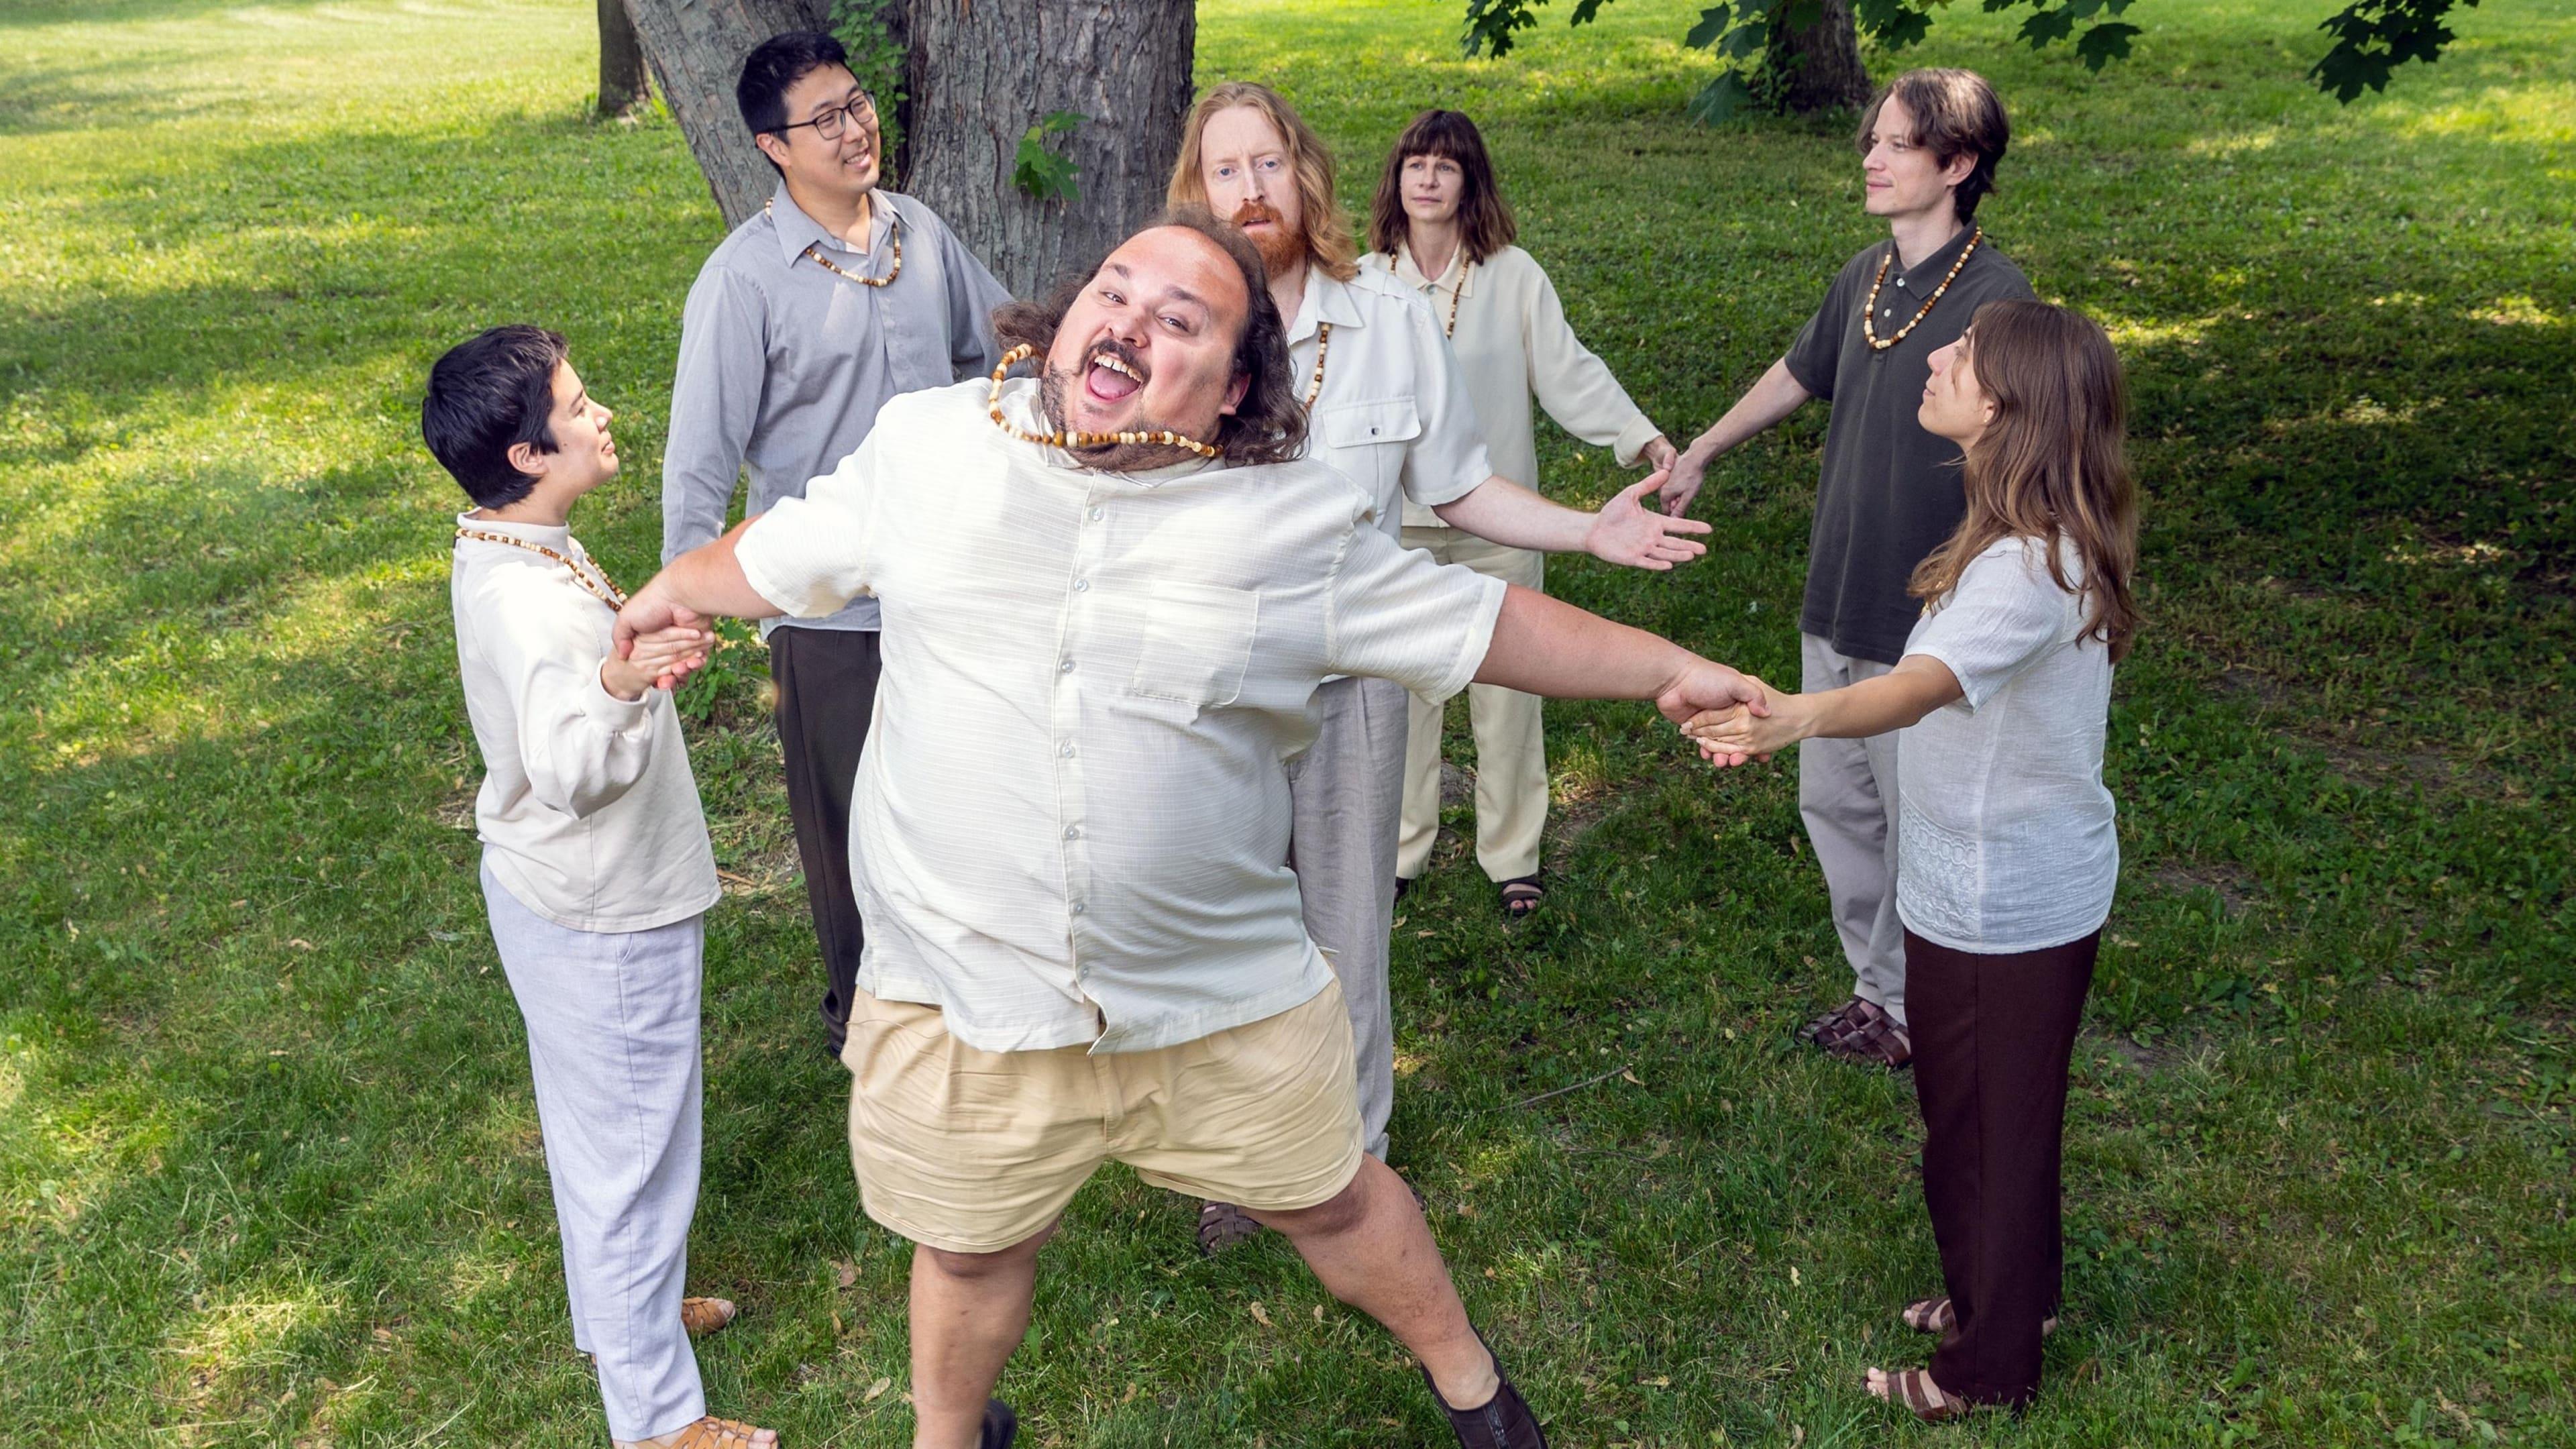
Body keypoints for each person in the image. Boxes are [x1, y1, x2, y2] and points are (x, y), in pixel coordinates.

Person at [615, 211, 1767, 1449]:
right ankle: (948, 1440)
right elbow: (779, 554)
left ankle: (1476, 1391)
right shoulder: (930, 447)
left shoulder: (1289, 521)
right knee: (966, 1249)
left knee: (1335, 1204)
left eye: (1181, 321)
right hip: (969, 989)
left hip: (1215, 994)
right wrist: (671, 589)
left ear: (1231, 392)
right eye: (1114, 293)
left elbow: (1484, 625)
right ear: (1064, 327)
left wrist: (1664, 669)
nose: (1129, 323)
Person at [1168, 81, 1710, 1246]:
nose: (1249, 189)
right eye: (1225, 171)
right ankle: (1233, 1159)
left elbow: (1457, 483)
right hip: (1207, 686)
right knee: (1225, 930)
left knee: (1345, 933)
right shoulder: (1179, 315)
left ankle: (1344, 1157)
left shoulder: (1388, 320)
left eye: (1268, 163)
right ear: (1198, 190)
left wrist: (1586, 527)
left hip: (1351, 674)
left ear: (1304, 173)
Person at [1686, 299, 2140, 1421]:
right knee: (1991, 1118)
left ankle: (1984, 1373)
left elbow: (1916, 688)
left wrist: (1794, 717)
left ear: (2010, 408)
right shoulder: (2009, 538)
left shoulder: (2027, 569)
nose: (1936, 359)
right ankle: (2006, 1298)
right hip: (1981, 888)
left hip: (2006, 904)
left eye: (1964, 356)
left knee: (1983, 1129)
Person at [424, 326, 771, 1449]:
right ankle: (662, 1420)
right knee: (633, 1152)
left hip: (565, 897)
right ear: (528, 457)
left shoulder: (517, 545)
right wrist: (627, 680)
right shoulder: (524, 601)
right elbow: (572, 769)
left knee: (600, 1132)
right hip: (600, 908)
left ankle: (625, 1314)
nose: (602, 414)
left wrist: (625, 657)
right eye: (579, 408)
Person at [1660, 68, 2033, 1071]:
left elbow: (2026, 465)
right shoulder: (1866, 276)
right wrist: (1702, 449)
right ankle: (1882, 997)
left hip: (1925, 620)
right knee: (1837, 810)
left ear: (1957, 164)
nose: (1871, 157)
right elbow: (1798, 373)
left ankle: (1935, 1008)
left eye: (1898, 144)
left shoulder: (1999, 303)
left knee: (1922, 825)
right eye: (1872, 139)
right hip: (1834, 598)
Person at [662, 30, 1012, 1061]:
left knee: (960, 793)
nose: (857, 130)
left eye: (857, 105)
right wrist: (691, 596)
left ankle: (973, 993)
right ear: (774, 147)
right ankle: (867, 1020)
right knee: (849, 818)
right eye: (826, 120)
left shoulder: (920, 234)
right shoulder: (743, 284)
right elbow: (698, 463)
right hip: (828, 605)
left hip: (949, 580)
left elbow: (993, 355)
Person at [1360, 109, 1678, 920]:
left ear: (1471, 182)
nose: (1427, 179)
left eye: (1445, 166)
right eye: (1414, 165)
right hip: (1396, 528)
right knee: (1401, 701)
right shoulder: (1363, 281)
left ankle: (1514, 857)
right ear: (1396, 182)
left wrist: (1639, 439)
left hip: (1499, 526)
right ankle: (1399, 852)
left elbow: (1570, 372)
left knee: (1509, 701)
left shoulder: (1512, 275)